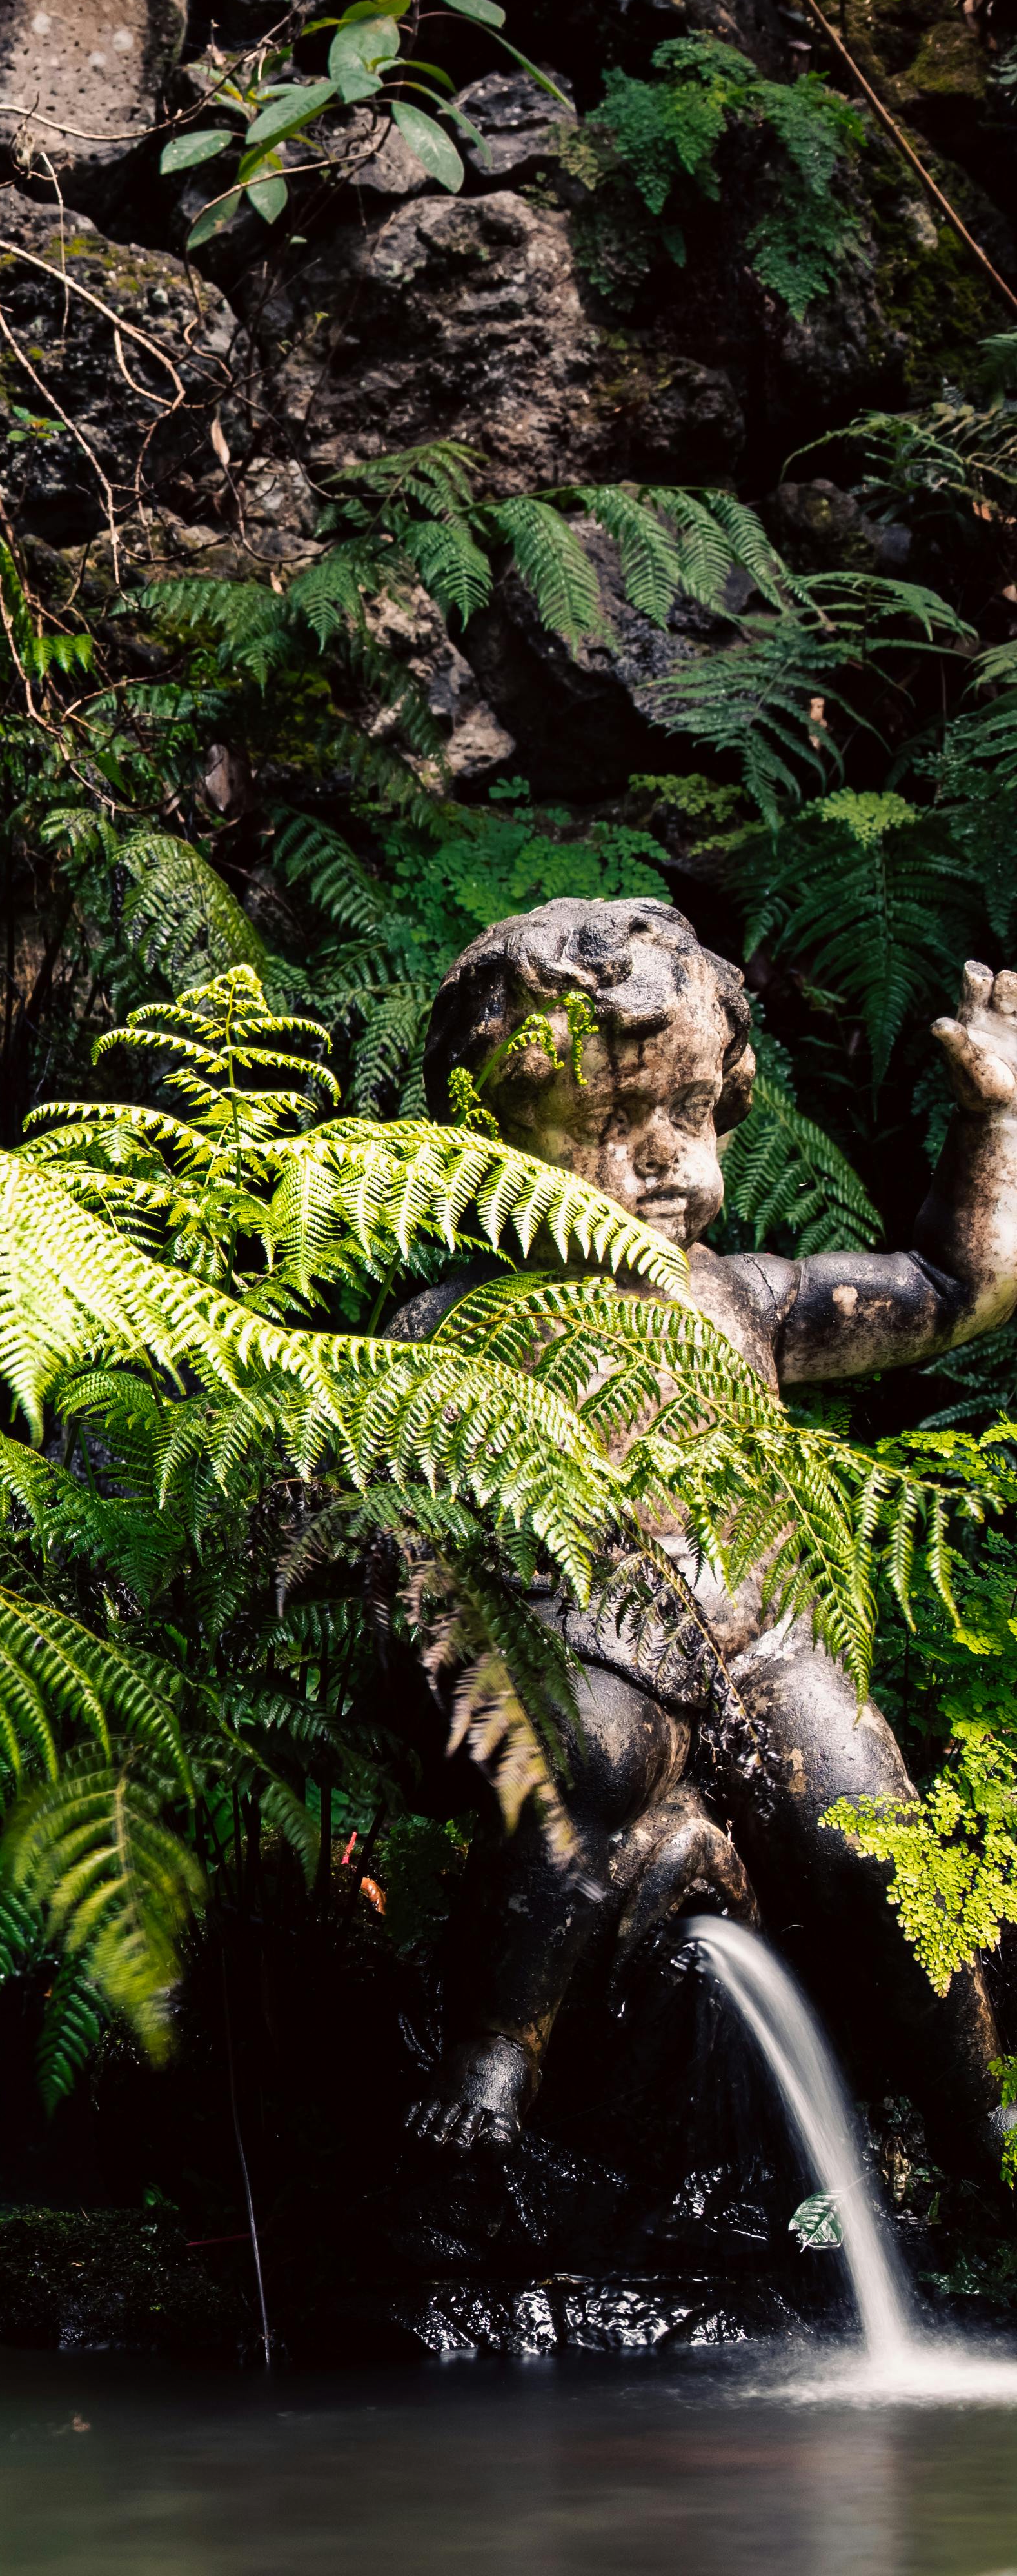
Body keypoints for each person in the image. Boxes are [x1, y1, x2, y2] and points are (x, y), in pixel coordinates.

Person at [398, 897, 1017, 2193]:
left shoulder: (743, 1299)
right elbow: (392, 1514)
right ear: (490, 1135)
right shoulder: (456, 1322)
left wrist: (995, 1122)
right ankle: (495, 2050)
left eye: (696, 1113)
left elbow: (958, 1288)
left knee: (869, 1833)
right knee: (588, 1770)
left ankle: (977, 2108)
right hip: (581, 1621)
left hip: (762, 1632)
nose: (669, 1160)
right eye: (618, 1126)